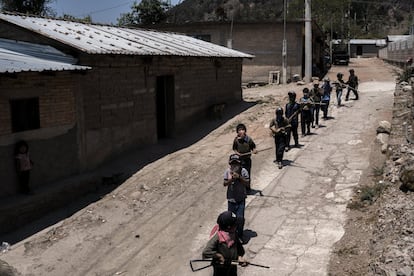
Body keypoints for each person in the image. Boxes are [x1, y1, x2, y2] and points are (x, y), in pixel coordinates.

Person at [202, 211, 248, 276]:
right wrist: (218, 256)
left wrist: (239, 257)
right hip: (220, 269)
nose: (237, 226)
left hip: (232, 267)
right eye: (235, 225)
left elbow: (239, 249)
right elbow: (206, 252)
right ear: (229, 227)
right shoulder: (217, 237)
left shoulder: (234, 234)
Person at [223, 154, 249, 242]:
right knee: (231, 219)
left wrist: (239, 177)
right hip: (231, 199)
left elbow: (247, 183)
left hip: (241, 199)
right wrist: (231, 179)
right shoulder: (228, 171)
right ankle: (232, 235)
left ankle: (240, 234)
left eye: (236, 164)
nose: (234, 166)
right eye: (232, 164)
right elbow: (225, 183)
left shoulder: (244, 171)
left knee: (240, 218)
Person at [232, 124, 257, 191]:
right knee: (240, 175)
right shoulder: (236, 140)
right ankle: (241, 189)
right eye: (239, 130)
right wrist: (238, 153)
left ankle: (248, 188)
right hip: (239, 161)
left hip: (247, 160)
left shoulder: (248, 139)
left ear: (245, 131)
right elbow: (234, 149)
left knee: (247, 174)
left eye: (243, 130)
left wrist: (254, 150)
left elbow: (253, 147)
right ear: (237, 132)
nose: (241, 131)